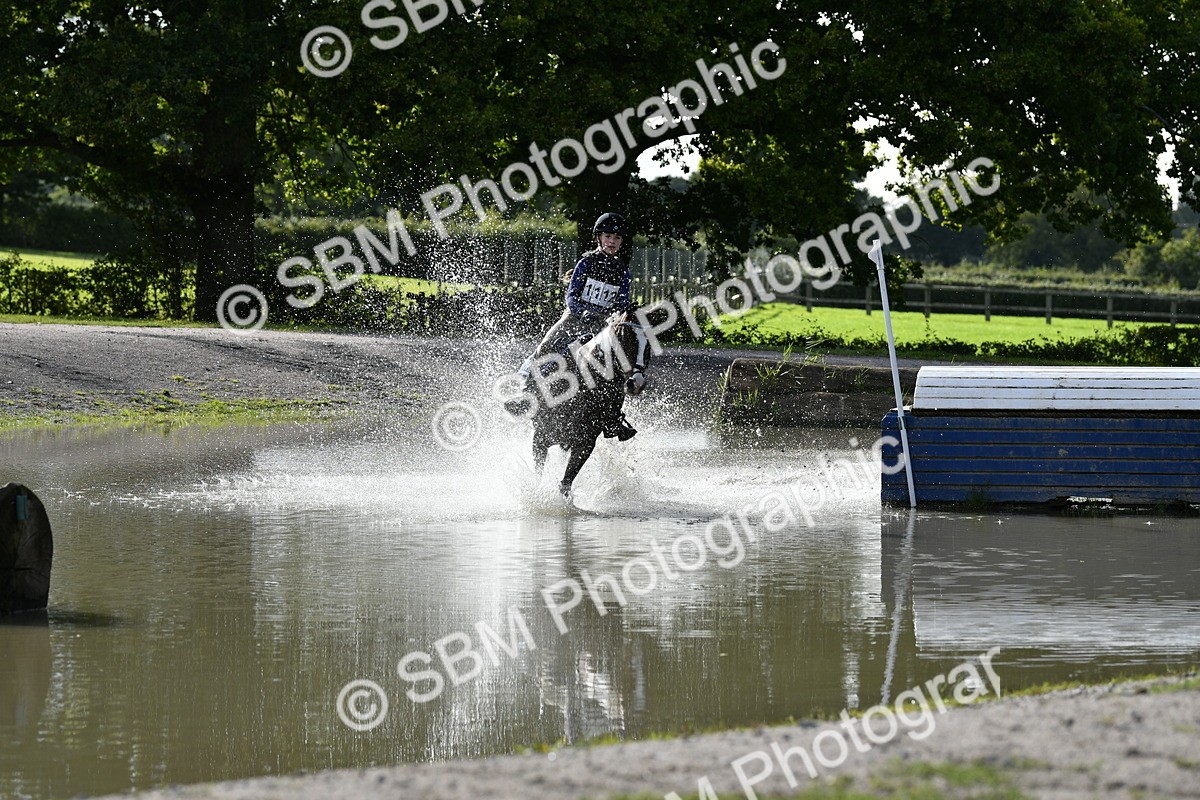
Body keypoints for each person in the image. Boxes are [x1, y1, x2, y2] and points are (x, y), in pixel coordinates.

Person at [515, 212, 638, 441]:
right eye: (608, 236)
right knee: (544, 348)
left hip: (602, 326)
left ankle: (614, 419)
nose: (612, 241)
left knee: (618, 363)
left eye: (617, 238)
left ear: (621, 242)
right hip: (574, 319)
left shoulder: (622, 271)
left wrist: (615, 316)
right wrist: (584, 313)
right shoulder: (586, 263)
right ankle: (523, 391)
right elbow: (571, 296)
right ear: (599, 238)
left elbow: (621, 302)